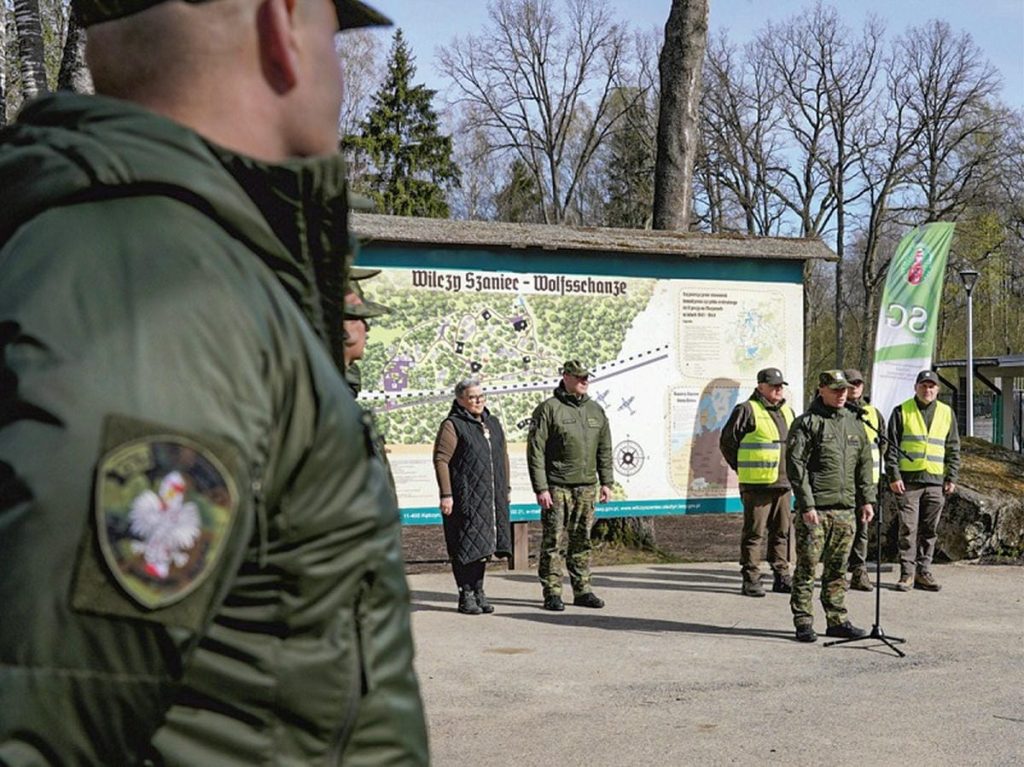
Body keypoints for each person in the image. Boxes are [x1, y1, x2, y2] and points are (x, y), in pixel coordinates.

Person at [0, 1, 430, 765]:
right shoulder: (167, 294)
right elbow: (44, 718)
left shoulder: (175, 266)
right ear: (282, 27)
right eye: (336, 34)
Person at [786, 370, 876, 643]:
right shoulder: (807, 423)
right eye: (836, 390)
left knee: (838, 569)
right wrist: (806, 504)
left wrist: (867, 499)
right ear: (821, 389)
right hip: (816, 510)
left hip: (846, 509)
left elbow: (864, 464)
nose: (841, 395)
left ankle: (837, 619)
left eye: (845, 390)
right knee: (807, 568)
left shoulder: (855, 423)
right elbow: (796, 466)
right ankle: (803, 621)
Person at [527, 360, 614, 611]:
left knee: (582, 540)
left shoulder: (596, 411)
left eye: (587, 377)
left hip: (586, 487)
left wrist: (606, 482)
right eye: (579, 377)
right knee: (553, 541)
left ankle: (582, 589)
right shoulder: (548, 409)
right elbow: (536, 451)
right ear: (565, 377)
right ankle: (552, 592)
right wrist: (541, 488)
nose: (585, 381)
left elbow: (604, 449)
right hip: (557, 487)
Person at [432, 379, 512, 615]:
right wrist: (446, 494)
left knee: (484, 545)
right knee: (465, 545)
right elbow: (441, 460)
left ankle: (479, 590)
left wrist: (505, 488)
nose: (478, 401)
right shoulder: (453, 425)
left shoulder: (493, 423)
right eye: (472, 397)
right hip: (465, 495)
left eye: (481, 396)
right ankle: (465, 593)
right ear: (460, 400)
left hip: (490, 496)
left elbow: (503, 456)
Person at [720, 367, 795, 597]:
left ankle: (781, 575)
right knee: (755, 533)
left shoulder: (788, 411)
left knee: (782, 532)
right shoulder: (746, 410)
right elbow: (727, 443)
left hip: (783, 483)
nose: (778, 389)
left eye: (781, 385)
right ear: (760, 386)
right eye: (773, 385)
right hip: (757, 485)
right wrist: (742, 468)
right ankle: (751, 578)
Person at [886, 370, 961, 592]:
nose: (927, 390)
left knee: (930, 529)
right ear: (916, 387)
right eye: (923, 386)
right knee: (908, 528)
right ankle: (907, 574)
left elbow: (953, 447)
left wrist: (952, 476)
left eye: (931, 386)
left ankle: (924, 571)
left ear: (938, 390)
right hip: (908, 481)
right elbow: (891, 447)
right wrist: (894, 475)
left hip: (936, 481)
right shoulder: (902, 411)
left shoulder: (947, 413)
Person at [843, 369, 885, 592]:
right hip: (842, 483)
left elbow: (882, 445)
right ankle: (839, 572)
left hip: (868, 482)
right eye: (851, 384)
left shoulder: (873, 413)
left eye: (858, 383)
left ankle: (859, 571)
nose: (855, 388)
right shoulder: (836, 411)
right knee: (841, 529)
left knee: (863, 528)